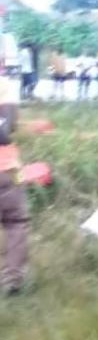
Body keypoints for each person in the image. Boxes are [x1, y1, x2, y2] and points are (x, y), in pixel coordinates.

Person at [0, 73, 29, 296]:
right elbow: (8, 127)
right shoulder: (5, 85)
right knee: (15, 224)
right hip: (7, 165)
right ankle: (12, 280)